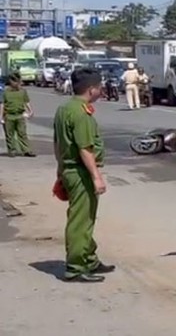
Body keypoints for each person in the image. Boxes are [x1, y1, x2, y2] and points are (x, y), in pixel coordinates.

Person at [53, 67, 115, 282]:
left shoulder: (65, 109)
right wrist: (97, 177)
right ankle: (76, 266)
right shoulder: (81, 113)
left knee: (84, 218)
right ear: (91, 90)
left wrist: (60, 170)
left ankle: (88, 258)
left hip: (70, 169)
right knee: (81, 220)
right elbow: (85, 149)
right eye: (99, 88)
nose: (101, 91)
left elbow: (57, 144)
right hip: (80, 172)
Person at [0, 73, 35, 157]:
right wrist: (1, 117)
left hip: (20, 115)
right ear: (11, 81)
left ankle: (27, 150)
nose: (17, 83)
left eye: (18, 81)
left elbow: (26, 102)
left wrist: (31, 111)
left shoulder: (22, 91)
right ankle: (12, 150)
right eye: (15, 81)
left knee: (22, 134)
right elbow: (2, 105)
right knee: (9, 135)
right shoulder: (5, 92)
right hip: (9, 115)